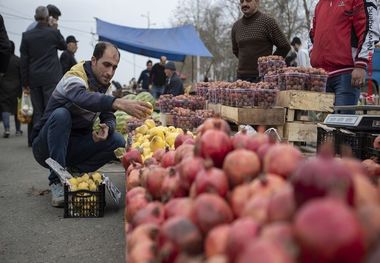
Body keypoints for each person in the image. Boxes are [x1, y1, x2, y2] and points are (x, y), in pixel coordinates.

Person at [31, 42, 152, 207]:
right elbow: (82, 97)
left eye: (114, 67)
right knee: (61, 115)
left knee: (116, 141)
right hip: (46, 147)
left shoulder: (105, 87)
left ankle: (75, 171)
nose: (110, 72)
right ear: (94, 60)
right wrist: (117, 102)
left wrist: (107, 126)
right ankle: (56, 181)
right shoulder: (74, 76)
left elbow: (108, 115)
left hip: (74, 147)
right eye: (106, 65)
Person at [310, 0, 375, 113]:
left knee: (342, 125)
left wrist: (361, 64)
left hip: (346, 74)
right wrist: (313, 57)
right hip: (321, 76)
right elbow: (312, 34)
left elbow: (369, 30)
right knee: (320, 126)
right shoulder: (320, 4)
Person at [20, 6, 66, 147]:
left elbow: (24, 61)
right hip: (51, 78)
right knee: (50, 109)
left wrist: (25, 82)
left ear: (35, 18)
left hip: (34, 78)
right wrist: (55, 28)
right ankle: (47, 140)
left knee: (38, 111)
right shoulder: (52, 33)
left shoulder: (27, 36)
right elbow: (63, 45)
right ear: (48, 18)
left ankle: (35, 140)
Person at [231, 0, 291, 82]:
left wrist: (269, 64)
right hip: (241, 79)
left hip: (263, 78)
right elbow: (235, 50)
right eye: (242, 1)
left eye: (248, 0)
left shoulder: (267, 22)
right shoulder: (236, 26)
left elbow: (284, 46)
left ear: (257, 2)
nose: (244, 4)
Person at [0, 41, 22, 138]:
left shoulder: (2, 61)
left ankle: (7, 129)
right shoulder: (18, 60)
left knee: (5, 108)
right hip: (16, 88)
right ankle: (17, 130)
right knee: (17, 109)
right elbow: (22, 75)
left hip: (3, 87)